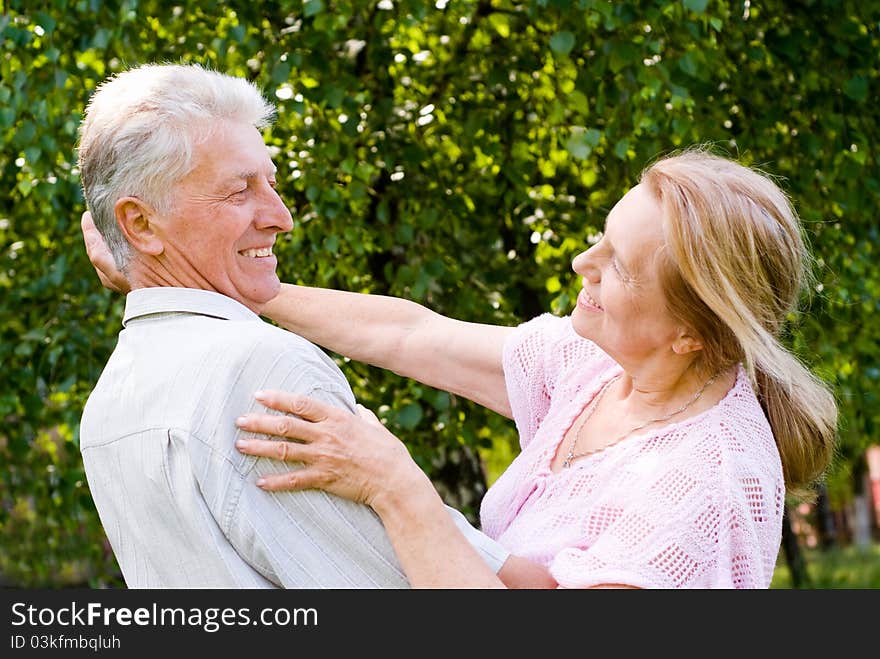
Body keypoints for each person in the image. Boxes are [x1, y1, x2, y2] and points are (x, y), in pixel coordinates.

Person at [229, 149, 838, 588]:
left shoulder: (705, 481)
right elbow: (411, 335)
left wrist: (396, 488)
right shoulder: (597, 369)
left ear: (689, 333)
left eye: (619, 265)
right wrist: (240, 285)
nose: (582, 262)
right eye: (601, 236)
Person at [76, 62, 543, 588]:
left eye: (271, 184)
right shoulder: (265, 372)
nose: (281, 216)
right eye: (239, 191)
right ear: (140, 223)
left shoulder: (111, 398)